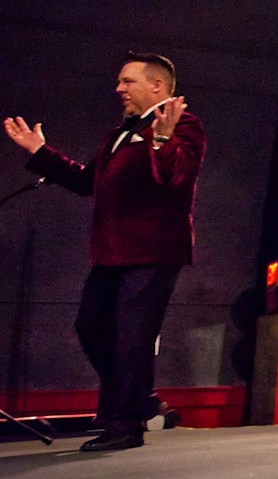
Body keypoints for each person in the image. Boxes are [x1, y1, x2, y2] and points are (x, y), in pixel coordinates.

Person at [4, 52, 205, 451]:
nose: (119, 89)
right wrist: (40, 152)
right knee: (91, 326)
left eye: (127, 81)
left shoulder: (185, 125)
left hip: (153, 251)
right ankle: (142, 400)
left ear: (157, 86)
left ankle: (124, 424)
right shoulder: (120, 133)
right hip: (111, 253)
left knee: (132, 337)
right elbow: (86, 181)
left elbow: (177, 178)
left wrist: (163, 140)